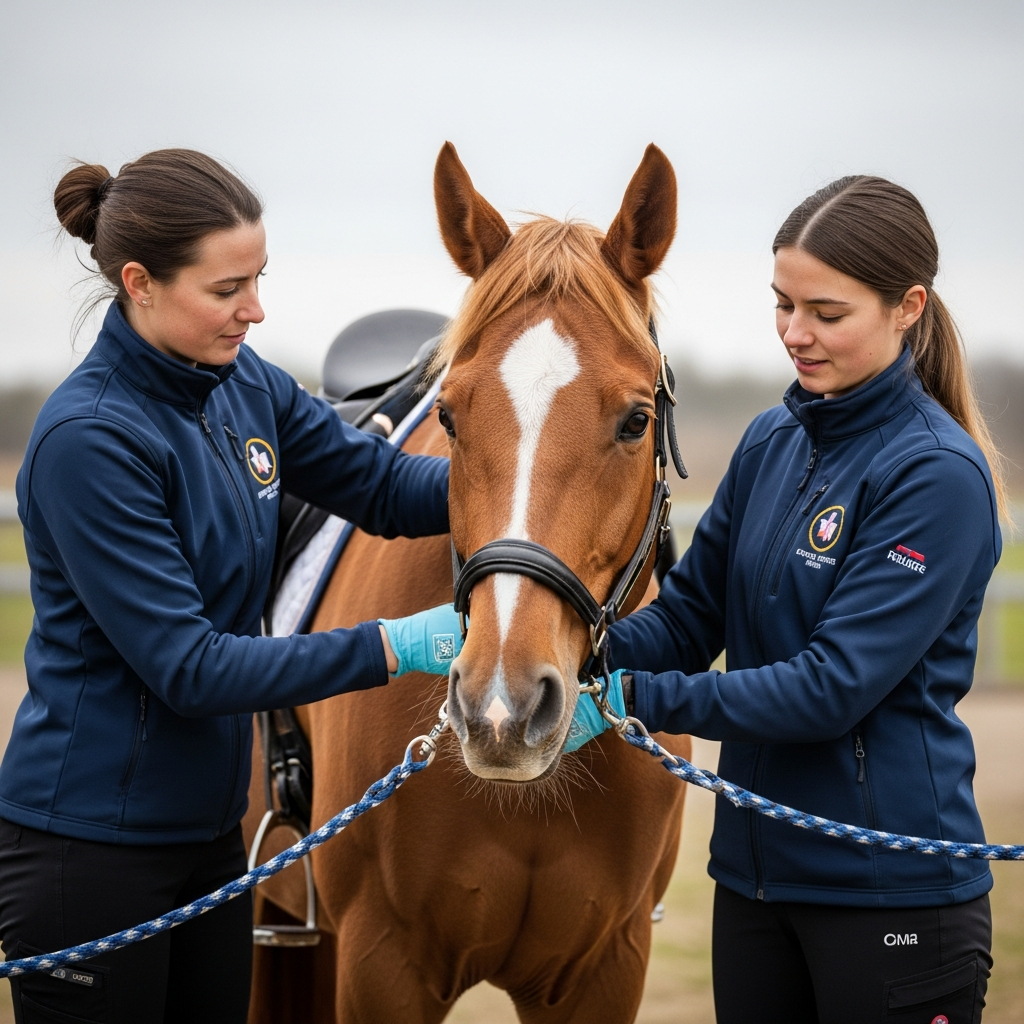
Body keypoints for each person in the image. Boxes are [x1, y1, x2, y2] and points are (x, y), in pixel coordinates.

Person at [0, 149, 459, 1024]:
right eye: (226, 289)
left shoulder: (245, 383)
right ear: (140, 283)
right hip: (89, 856)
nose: (255, 308)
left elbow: (383, 486)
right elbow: (193, 668)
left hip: (211, 841)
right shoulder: (88, 441)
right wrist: (396, 645)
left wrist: (530, 483)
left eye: (258, 278)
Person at [573, 176, 1005, 1023]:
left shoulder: (937, 475)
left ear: (908, 307)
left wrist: (624, 699)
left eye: (826, 313)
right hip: (752, 886)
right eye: (782, 304)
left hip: (890, 897)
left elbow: (829, 688)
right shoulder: (772, 439)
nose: (794, 333)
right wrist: (557, 652)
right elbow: (688, 618)